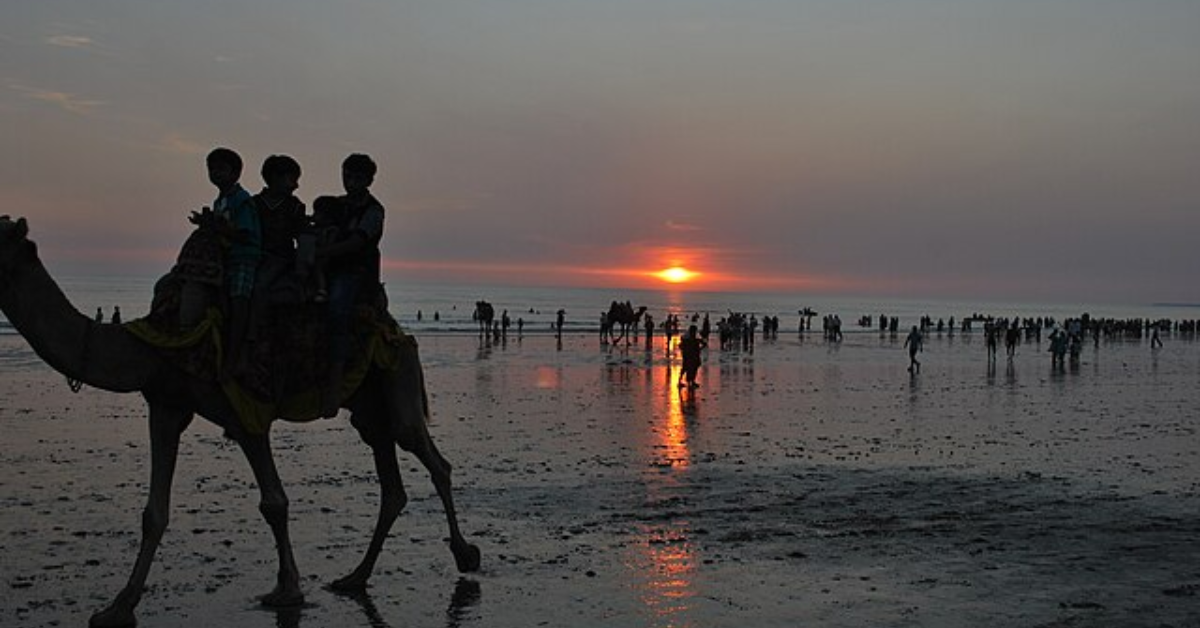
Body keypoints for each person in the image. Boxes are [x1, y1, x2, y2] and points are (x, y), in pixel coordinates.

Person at [317, 154, 385, 418]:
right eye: (347, 176)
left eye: (357, 178)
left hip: (356, 273)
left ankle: (335, 382)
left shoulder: (373, 211)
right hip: (329, 267)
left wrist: (325, 252)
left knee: (337, 309)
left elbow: (357, 242)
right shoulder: (336, 204)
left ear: (369, 180)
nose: (350, 182)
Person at [205, 147, 261, 378]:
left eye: (221, 169)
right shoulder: (221, 200)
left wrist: (217, 227)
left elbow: (245, 233)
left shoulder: (241, 199)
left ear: (236, 173)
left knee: (239, 302)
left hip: (244, 257)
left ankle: (236, 354)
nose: (216, 173)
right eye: (212, 169)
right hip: (226, 259)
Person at [250, 155, 307, 342]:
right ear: (275, 178)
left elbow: (301, 236)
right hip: (254, 254)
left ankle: (255, 333)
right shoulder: (253, 204)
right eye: (292, 179)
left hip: (280, 258)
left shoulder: (295, 206)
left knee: (260, 286)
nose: (295, 185)